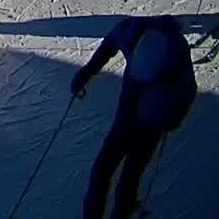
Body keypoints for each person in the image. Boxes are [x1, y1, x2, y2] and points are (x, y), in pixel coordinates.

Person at [72, 15, 195, 219]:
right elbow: (108, 46)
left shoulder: (175, 48)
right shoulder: (128, 32)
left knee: (131, 170)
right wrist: (84, 74)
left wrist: (173, 117)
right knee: (105, 169)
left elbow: (188, 88)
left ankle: (122, 209)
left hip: (153, 116)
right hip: (129, 115)